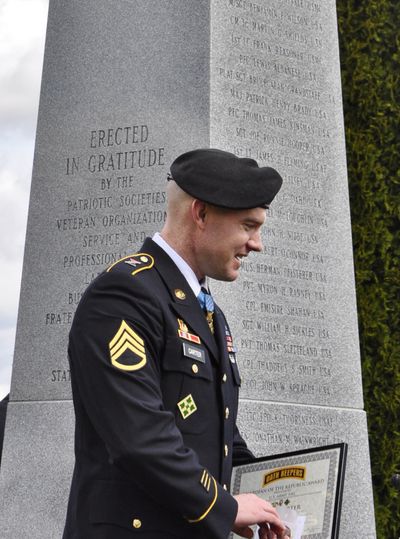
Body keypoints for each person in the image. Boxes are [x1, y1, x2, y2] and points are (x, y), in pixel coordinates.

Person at [63, 148, 289, 539]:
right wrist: (225, 506)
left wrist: (270, 493)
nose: (257, 244)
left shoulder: (206, 311)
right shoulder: (123, 295)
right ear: (200, 214)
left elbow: (216, 432)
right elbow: (140, 438)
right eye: (249, 226)